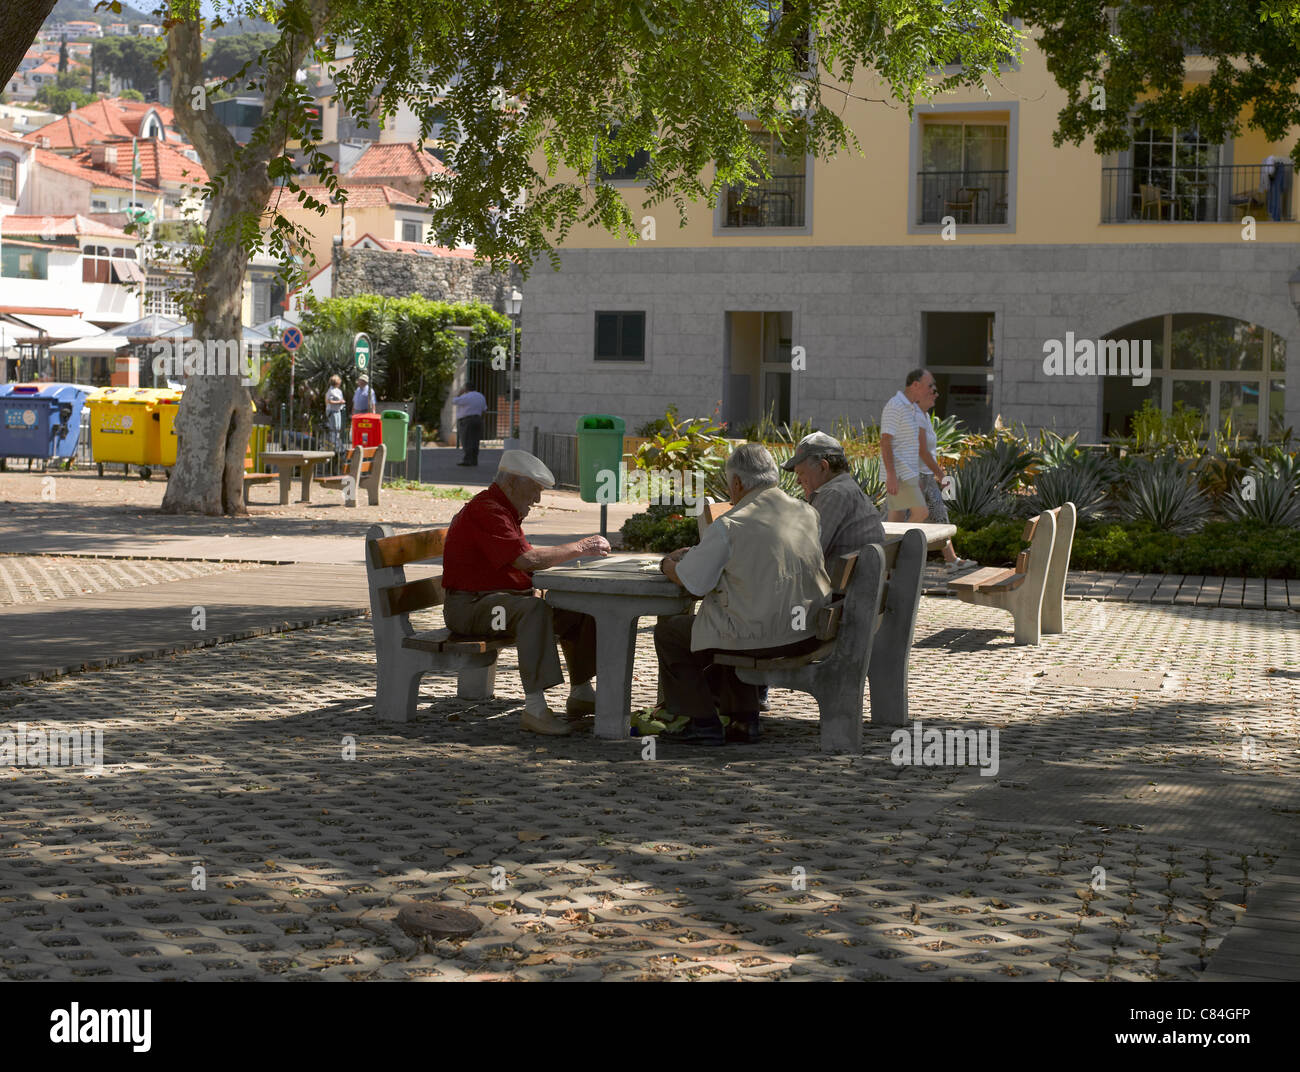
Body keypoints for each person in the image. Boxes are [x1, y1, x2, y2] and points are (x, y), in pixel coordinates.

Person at [654, 444, 830, 746]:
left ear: (736, 483)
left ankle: (702, 721)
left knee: (673, 633)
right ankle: (744, 719)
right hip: (809, 631)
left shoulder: (730, 523)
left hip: (764, 638)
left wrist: (667, 563)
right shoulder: (806, 511)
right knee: (736, 613)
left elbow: (693, 583)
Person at [441, 449, 609, 736]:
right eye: (534, 490)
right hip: (469, 607)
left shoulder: (502, 508)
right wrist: (581, 547)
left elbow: (521, 563)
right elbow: (527, 561)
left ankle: (581, 692)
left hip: (491, 601)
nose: (538, 499)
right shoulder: (488, 510)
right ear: (511, 483)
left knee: (578, 607)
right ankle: (535, 709)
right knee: (533, 610)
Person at [782, 430, 885, 561]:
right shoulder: (848, 488)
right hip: (856, 577)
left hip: (844, 581)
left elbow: (807, 555)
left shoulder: (834, 494)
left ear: (823, 467)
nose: (797, 481)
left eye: (800, 473)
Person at [915, 376, 977, 574]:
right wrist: (940, 474)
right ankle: (888, 558)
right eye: (932, 391)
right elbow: (921, 451)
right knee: (906, 521)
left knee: (940, 516)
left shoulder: (924, 417)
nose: (936, 395)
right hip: (914, 477)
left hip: (924, 476)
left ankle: (951, 560)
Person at [880, 369, 930, 523]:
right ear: (915, 385)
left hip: (908, 474)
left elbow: (909, 446)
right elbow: (885, 441)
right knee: (921, 513)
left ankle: (888, 546)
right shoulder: (895, 406)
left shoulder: (911, 408)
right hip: (900, 474)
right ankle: (904, 546)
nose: (930, 390)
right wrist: (891, 475)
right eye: (928, 386)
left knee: (896, 519)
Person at [453, 387, 487, 466]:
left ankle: (467, 460)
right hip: (478, 419)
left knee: (466, 440)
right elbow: (484, 409)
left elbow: (454, 401)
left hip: (467, 420)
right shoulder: (481, 396)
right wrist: (482, 419)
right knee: (475, 441)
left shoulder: (466, 396)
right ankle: (474, 460)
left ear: (466, 389)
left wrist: (459, 393)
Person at [324, 375, 345, 451]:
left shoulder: (339, 391)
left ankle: (337, 442)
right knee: (334, 427)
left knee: (338, 427)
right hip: (332, 411)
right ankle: (334, 443)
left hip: (338, 410)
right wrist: (339, 402)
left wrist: (341, 403)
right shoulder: (331, 391)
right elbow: (329, 401)